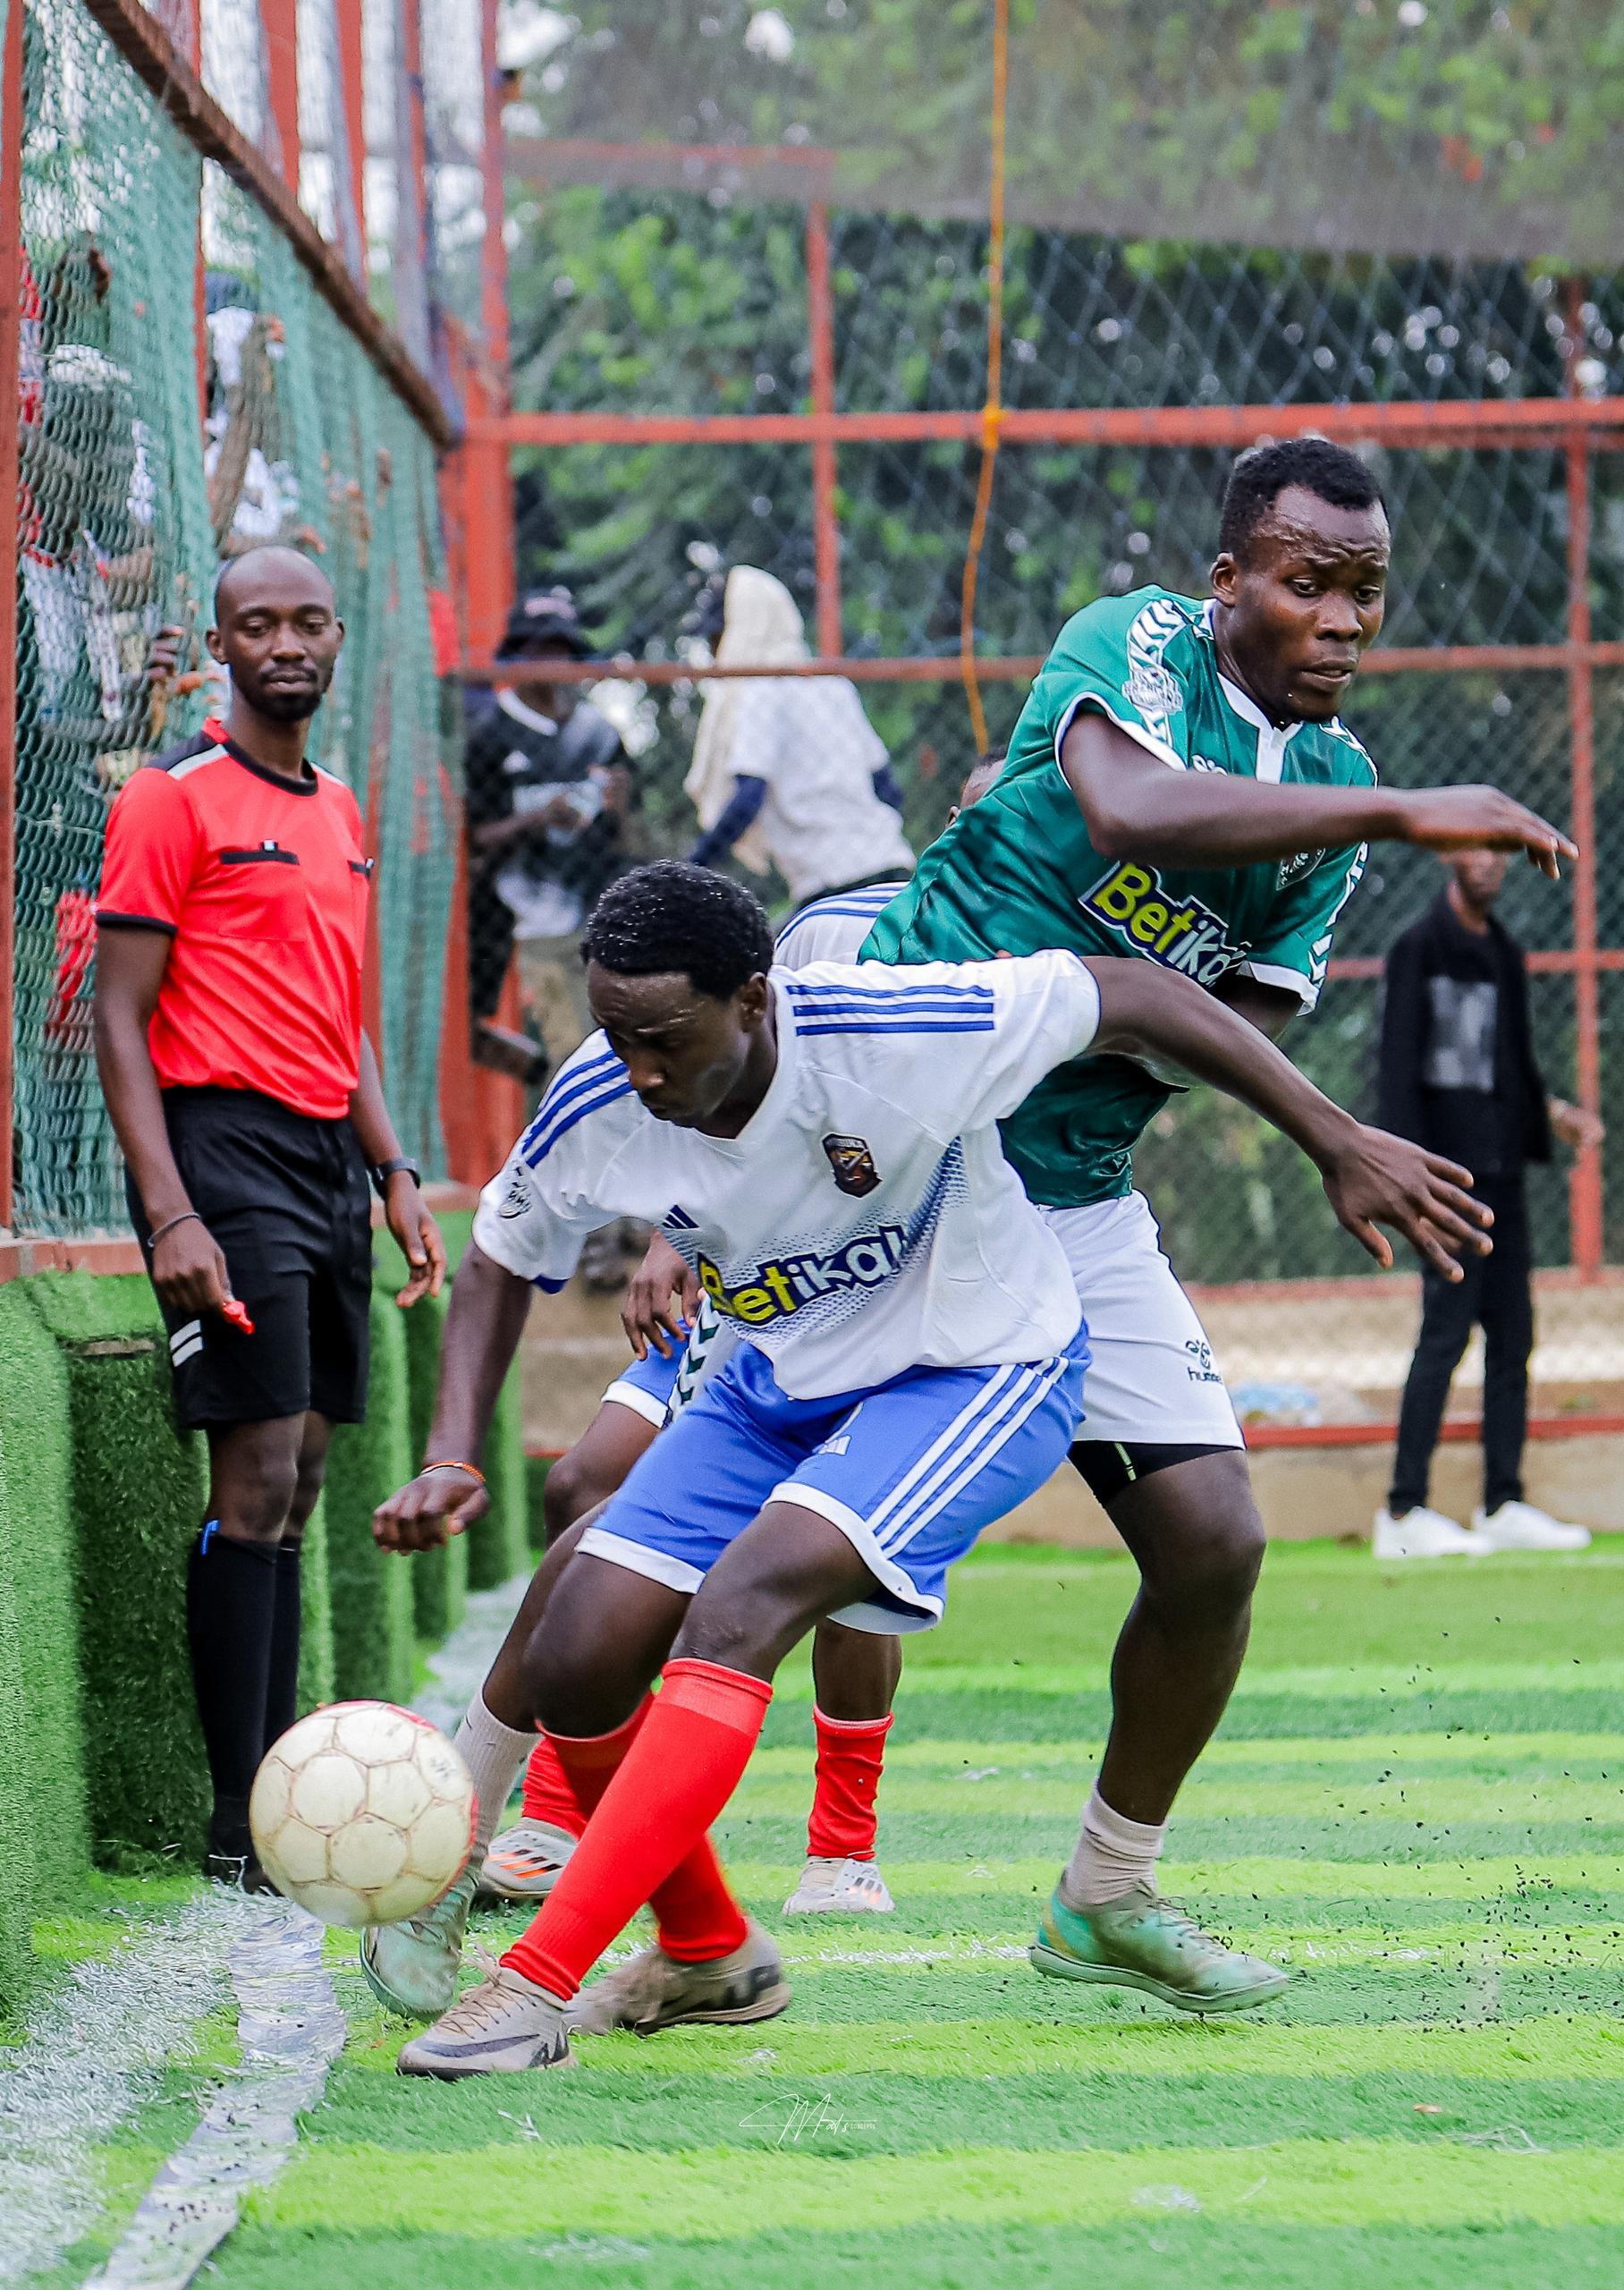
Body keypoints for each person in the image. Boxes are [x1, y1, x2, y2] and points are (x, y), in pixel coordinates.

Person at [361, 859, 1485, 2077]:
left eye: (665, 1042)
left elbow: (1132, 993)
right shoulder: (603, 1097)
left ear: (755, 998)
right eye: (617, 1036)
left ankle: (531, 1987)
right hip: (774, 1377)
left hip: (976, 1362)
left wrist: (1334, 1136)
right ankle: (709, 1953)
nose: (638, 1071)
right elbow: (500, 1256)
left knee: (744, 1601)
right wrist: (450, 1451)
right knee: (581, 1650)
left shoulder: (901, 1027)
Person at [860, 436, 1576, 2006]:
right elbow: (1119, 811)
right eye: (1307, 583)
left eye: (1365, 593)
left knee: (1214, 1546)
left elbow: (1209, 1014)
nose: (1339, 620)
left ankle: (1103, 1899)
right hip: (903, 1144)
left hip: (1073, 1188)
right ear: (1228, 579)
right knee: (709, 1515)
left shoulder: (1318, 795)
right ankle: (534, 1818)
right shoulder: (1132, 644)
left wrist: (1197, 1030)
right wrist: (1402, 817)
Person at [479, 749, 1009, 1920]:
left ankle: (837, 1849)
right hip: (753, 1287)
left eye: (1028, 832)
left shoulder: (1060, 972)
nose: (999, 851)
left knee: (850, 1575)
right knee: (589, 1487)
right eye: (982, 824)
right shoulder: (843, 937)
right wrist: (680, 1229)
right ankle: (554, 1817)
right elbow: (728, 1100)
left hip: (905, 1305)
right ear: (947, 834)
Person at [93, 544, 446, 1887]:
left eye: (307, 623)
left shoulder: (342, 808)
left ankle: (272, 1791)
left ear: (338, 637)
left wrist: (395, 1171)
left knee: (297, 1470)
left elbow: (341, 1014)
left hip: (321, 1162)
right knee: (248, 1483)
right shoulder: (171, 798)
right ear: (220, 646)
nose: (286, 644)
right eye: (258, 625)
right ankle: (237, 1819)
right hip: (216, 1147)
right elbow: (117, 1018)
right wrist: (169, 1211)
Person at [1374, 848, 1602, 1556]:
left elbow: (1512, 1064)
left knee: (1514, 1339)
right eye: (1476, 848)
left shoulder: (1503, 950)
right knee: (1444, 1337)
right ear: (1450, 856)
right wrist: (1406, 1185)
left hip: (1502, 1178)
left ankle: (1502, 1501)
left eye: (1500, 851)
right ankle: (1403, 1511)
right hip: (1446, 1184)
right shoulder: (1418, 946)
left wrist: (1553, 1115)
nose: (1489, 863)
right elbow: (1395, 1071)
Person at [463, 586, 631, 1081]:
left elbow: (623, 838)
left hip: (593, 912)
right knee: (576, 1054)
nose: (553, 661)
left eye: (562, 650)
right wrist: (537, 819)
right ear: (518, 655)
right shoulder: (490, 733)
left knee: (603, 1047)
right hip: (516, 917)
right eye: (540, 649)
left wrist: (617, 809)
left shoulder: (599, 733)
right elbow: (474, 839)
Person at [685, 565, 915, 903]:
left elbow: (749, 796)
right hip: (894, 869)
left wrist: (692, 865)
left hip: (832, 885)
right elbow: (887, 788)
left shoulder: (760, 689)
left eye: (717, 638)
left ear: (744, 628)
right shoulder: (831, 683)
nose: (713, 652)